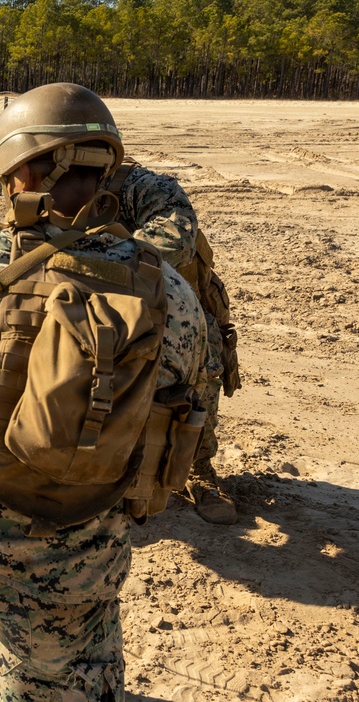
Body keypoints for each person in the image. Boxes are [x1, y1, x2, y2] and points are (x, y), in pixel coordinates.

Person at [0, 83, 208, 700]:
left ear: (20, 169)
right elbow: (186, 405)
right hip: (71, 573)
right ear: (107, 167)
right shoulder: (168, 293)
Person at [105, 161, 242, 524]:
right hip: (100, 303)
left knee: (202, 368)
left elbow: (175, 238)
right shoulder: (47, 183)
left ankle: (198, 467)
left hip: (172, 300)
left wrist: (94, 261)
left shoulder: (142, 185)